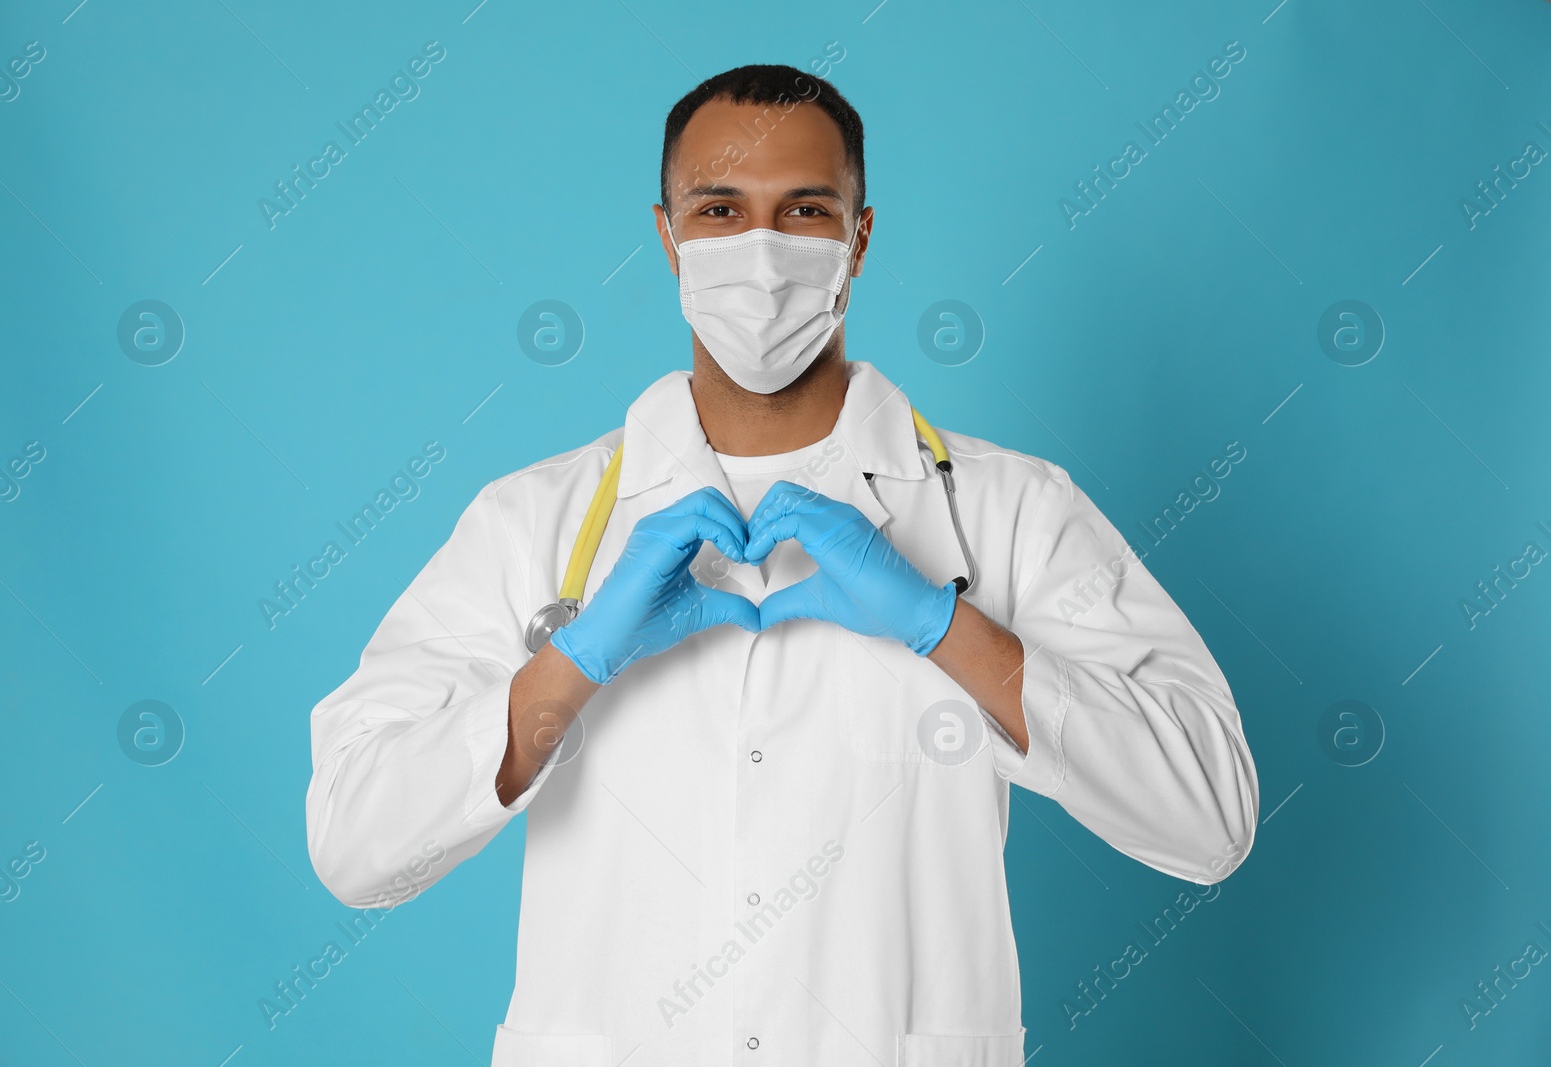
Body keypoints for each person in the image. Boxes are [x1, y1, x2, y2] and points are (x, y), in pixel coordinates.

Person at [305, 63, 1258, 1065]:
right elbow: (358, 845)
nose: (760, 256)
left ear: (859, 235)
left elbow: (1209, 817)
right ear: (668, 235)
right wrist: (575, 658)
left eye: (804, 208)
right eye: (719, 208)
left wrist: (945, 626)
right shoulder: (531, 521)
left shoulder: (1010, 509)